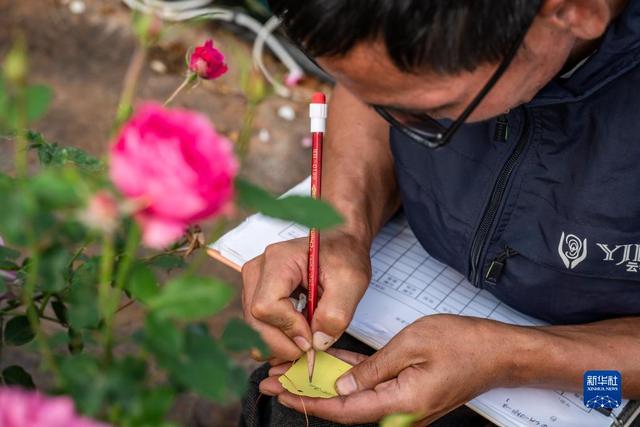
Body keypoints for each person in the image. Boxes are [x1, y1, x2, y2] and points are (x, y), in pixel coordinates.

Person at [239, 0, 640, 425]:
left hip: (606, 372)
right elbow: (377, 80)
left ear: (574, 11)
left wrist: (516, 360)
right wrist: (345, 227)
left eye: (429, 114)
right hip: (415, 308)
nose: (389, 115)